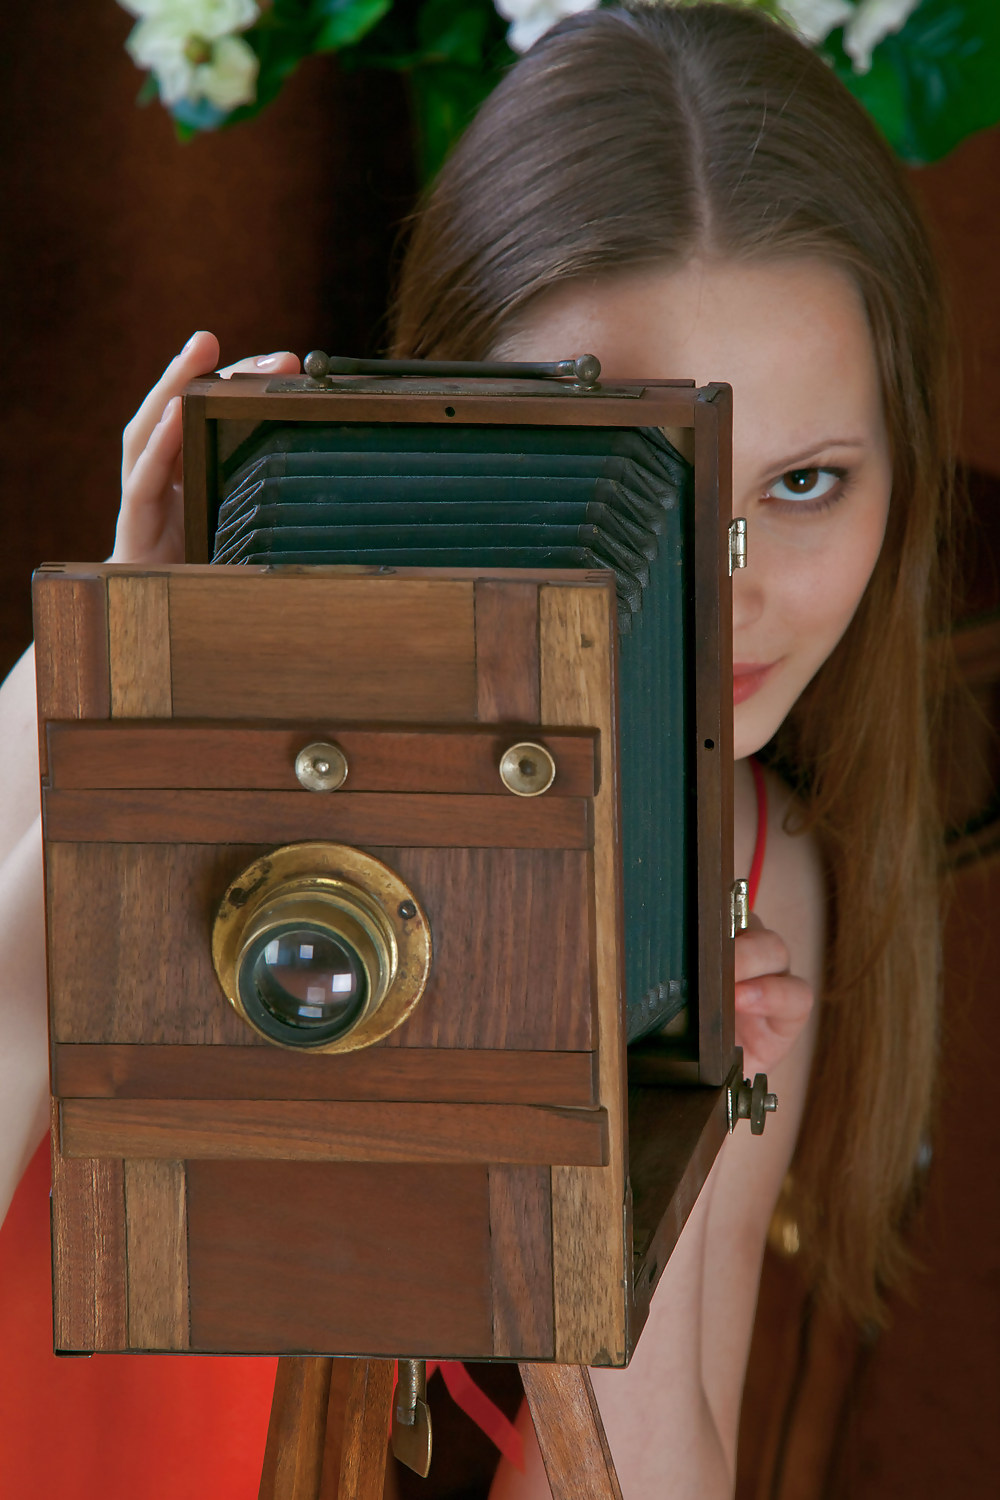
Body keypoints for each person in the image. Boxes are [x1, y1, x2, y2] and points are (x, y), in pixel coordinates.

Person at [0, 3, 951, 1496]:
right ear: (434, 429)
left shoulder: (753, 871)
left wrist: (640, 1166)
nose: (727, 589)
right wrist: (132, 783)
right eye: (633, 476)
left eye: (807, 481)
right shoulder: (67, 726)